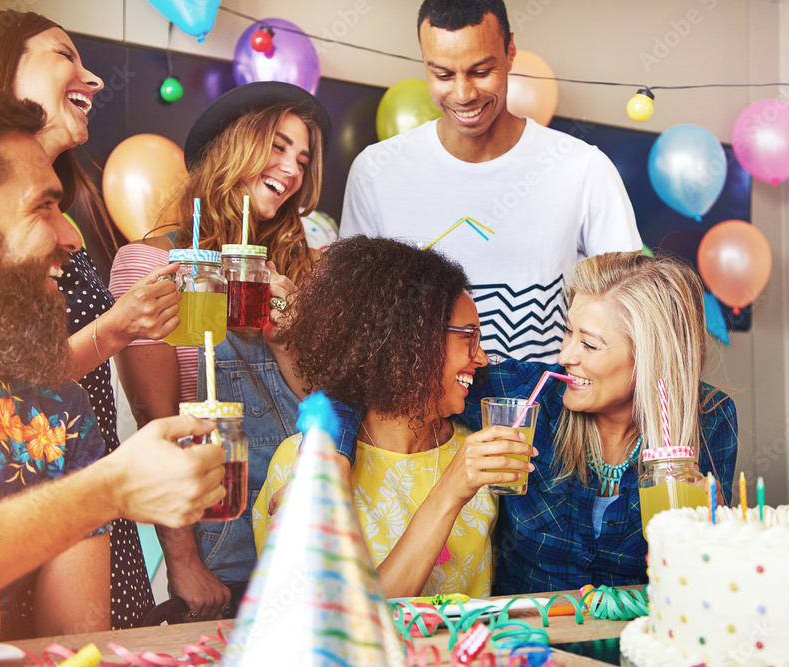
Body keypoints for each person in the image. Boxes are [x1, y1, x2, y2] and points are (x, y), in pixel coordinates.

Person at [0, 89, 224, 640]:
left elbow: (72, 645)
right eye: (42, 206)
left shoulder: (57, 408)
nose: (69, 237)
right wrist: (105, 491)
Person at [333, 252, 737, 594]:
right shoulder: (528, 395)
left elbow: (699, 584)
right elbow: (381, 381)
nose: (564, 355)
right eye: (568, 332)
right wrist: (330, 458)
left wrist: (713, 534)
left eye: (589, 344)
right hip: (527, 646)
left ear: (649, 357)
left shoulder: (708, 420)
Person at [109, 81, 331, 621]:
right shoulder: (151, 264)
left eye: (302, 158)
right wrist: (183, 560)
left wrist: (284, 344)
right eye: (278, 147)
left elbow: (319, 410)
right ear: (235, 146)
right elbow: (154, 421)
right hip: (218, 537)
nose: (293, 169)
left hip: (301, 536)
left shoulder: (300, 271)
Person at [340, 0, 641, 364]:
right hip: (421, 417)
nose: (464, 94)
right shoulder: (374, 171)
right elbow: (356, 318)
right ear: (423, 63)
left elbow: (634, 312)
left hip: (544, 414)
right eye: (443, 75)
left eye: (481, 71)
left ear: (510, 51)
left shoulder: (583, 169)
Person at [253, 236, 534, 598]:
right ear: (409, 342)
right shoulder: (304, 464)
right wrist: (451, 490)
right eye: (469, 337)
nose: (480, 358)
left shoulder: (481, 452)